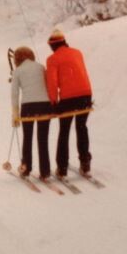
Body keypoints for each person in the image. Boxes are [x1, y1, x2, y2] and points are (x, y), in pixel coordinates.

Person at [45, 29, 93, 177]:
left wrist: (53, 102)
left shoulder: (52, 59)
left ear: (52, 45)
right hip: (86, 95)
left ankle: (62, 167)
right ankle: (85, 163)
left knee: (64, 131)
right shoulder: (77, 53)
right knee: (81, 127)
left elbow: (52, 83)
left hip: (68, 99)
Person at [10, 46, 53, 180]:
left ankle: (26, 168)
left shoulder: (17, 71)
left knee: (27, 138)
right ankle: (45, 171)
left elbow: (14, 94)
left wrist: (15, 114)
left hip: (28, 106)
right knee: (43, 138)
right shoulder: (41, 67)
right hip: (44, 105)